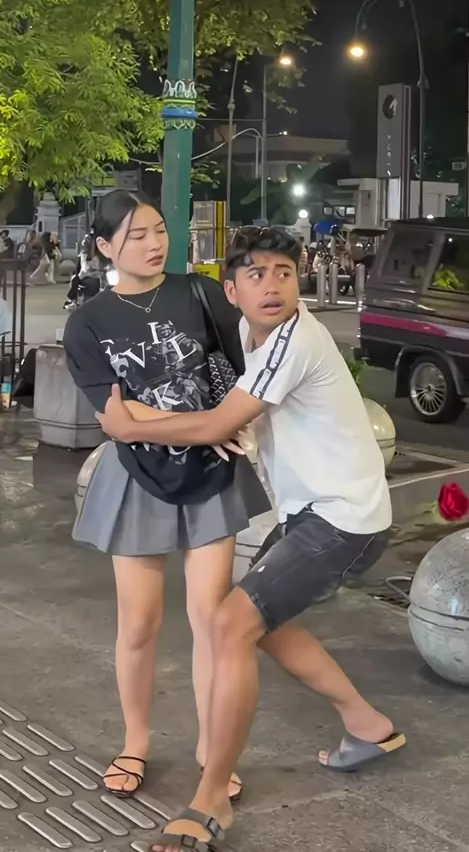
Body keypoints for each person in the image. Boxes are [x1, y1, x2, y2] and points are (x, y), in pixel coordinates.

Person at [97, 225, 406, 852]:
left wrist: (129, 427)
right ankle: (367, 723)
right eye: (256, 274)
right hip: (311, 512)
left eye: (284, 273)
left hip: (343, 518)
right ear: (232, 290)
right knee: (257, 624)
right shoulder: (247, 334)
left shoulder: (296, 339)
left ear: (299, 282)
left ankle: (211, 798)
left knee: (230, 625)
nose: (272, 285)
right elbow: (235, 414)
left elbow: (217, 421)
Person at [62, 191, 269, 803]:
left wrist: (223, 423)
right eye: (137, 236)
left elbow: (248, 370)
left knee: (212, 619)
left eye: (158, 230)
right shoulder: (88, 321)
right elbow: (116, 419)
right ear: (105, 247)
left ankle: (212, 749)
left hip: (211, 473)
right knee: (139, 623)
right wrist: (206, 426)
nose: (155, 244)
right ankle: (135, 741)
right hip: (137, 478)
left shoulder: (200, 293)